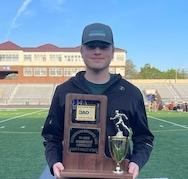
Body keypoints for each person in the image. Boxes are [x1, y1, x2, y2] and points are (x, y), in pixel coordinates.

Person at [41, 22, 154, 179]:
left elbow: (144, 138)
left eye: (103, 46)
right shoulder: (64, 91)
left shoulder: (131, 93)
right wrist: (54, 162)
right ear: (81, 51)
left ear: (113, 51)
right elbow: (51, 137)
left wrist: (136, 162)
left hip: (117, 175)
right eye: (91, 46)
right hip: (73, 174)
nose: (97, 51)